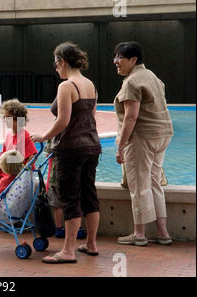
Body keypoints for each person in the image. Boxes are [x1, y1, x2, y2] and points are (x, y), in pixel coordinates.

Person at [30, 42, 101, 263]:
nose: (55, 68)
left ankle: (68, 251)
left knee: (70, 198)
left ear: (62, 61)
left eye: (55, 63)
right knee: (89, 195)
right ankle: (91, 243)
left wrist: (43, 137)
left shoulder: (67, 87)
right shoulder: (90, 85)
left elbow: (63, 121)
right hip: (92, 146)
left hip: (70, 149)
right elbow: (91, 117)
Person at [113, 41, 174, 246]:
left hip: (142, 137)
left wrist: (120, 145)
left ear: (133, 60)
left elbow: (131, 117)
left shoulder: (132, 82)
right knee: (154, 182)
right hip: (163, 135)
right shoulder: (153, 77)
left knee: (139, 185)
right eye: (116, 57)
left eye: (120, 57)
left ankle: (139, 234)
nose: (116, 61)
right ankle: (163, 232)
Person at [0, 99, 38, 195]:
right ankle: (2, 199)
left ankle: (2, 200)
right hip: (6, 170)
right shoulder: (9, 136)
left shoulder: (24, 136)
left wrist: (24, 170)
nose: (4, 119)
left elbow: (33, 156)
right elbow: (3, 156)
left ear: (18, 119)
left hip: (16, 173)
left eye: (8, 117)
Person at [44, 140, 86, 240]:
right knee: (74, 203)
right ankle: (78, 229)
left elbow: (48, 156)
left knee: (57, 204)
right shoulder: (77, 133)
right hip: (74, 175)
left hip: (56, 176)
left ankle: (59, 228)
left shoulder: (54, 135)